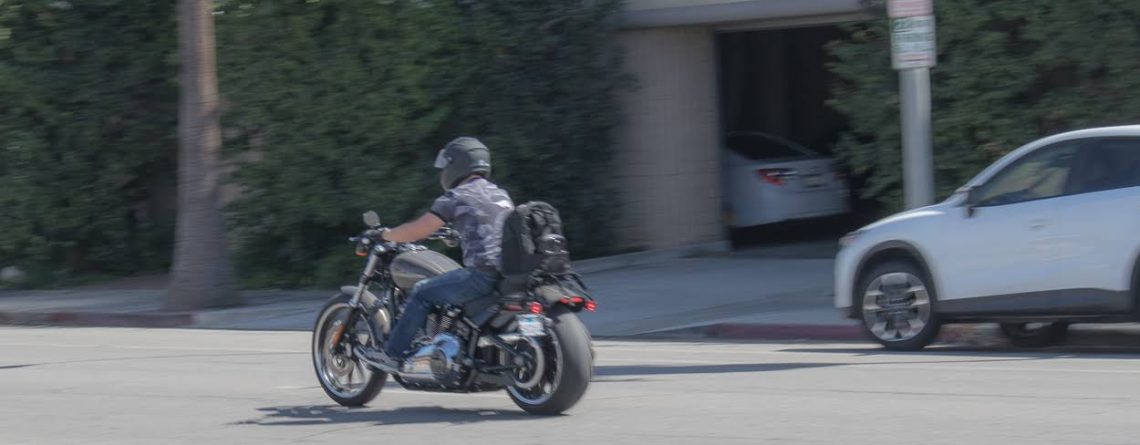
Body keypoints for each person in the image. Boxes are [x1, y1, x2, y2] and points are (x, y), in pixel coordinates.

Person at [362, 136, 514, 372]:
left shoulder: (457, 196)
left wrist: (386, 235)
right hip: (506, 273)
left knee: (422, 291)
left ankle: (392, 355)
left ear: (456, 165)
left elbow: (418, 229)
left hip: (482, 275)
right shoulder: (500, 194)